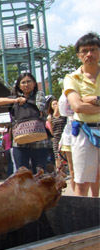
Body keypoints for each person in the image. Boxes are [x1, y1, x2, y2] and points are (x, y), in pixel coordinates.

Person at [64, 32, 100, 197]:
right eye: (84, 51)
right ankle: (82, 221)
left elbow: (82, 104)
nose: (89, 54)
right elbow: (77, 106)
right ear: (79, 55)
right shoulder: (72, 78)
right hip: (84, 132)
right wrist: (83, 103)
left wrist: (94, 99)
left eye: (93, 49)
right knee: (82, 182)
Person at [0, 73, 50, 174]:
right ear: (19, 86)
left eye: (29, 81)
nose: (26, 84)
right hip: (20, 140)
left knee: (40, 173)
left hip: (39, 140)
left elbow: (41, 107)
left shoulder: (39, 95)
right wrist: (16, 100)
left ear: (34, 83)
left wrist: (27, 100)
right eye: (23, 82)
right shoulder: (15, 98)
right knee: (21, 175)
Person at [47, 96, 67, 170]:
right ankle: (59, 171)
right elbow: (51, 130)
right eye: (53, 104)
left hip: (64, 136)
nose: (55, 105)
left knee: (65, 155)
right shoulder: (50, 117)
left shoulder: (63, 115)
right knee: (57, 156)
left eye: (56, 103)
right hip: (56, 137)